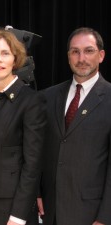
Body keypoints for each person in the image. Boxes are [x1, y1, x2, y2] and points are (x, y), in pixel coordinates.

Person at [0, 29, 47, 225]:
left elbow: (33, 164)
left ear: (15, 58)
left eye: (5, 53)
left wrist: (18, 215)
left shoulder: (31, 101)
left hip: (12, 206)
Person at [37, 27, 111, 225]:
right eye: (75, 51)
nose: (81, 58)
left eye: (88, 51)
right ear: (68, 56)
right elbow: (37, 149)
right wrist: (36, 191)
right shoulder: (48, 97)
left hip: (90, 214)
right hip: (50, 211)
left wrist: (106, 217)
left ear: (101, 55)